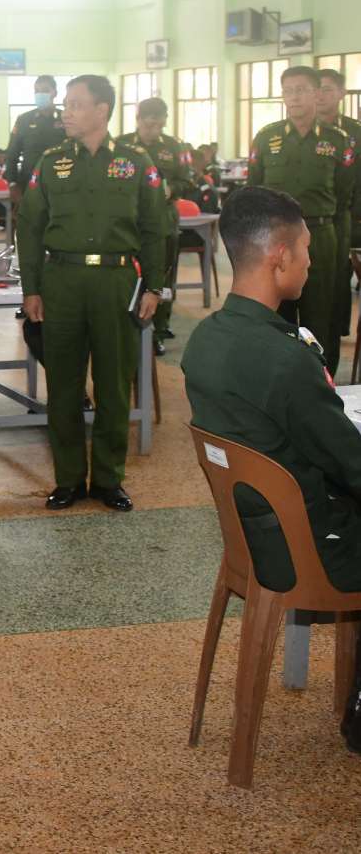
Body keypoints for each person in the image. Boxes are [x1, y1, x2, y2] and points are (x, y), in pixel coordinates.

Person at [182, 185, 361, 753]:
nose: (312, 261)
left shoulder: (206, 339)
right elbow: (351, 464)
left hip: (252, 536)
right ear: (280, 256)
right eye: (306, 249)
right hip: (306, 548)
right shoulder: (284, 359)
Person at [18, 75, 164, 511]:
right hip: (61, 279)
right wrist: (31, 288)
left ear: (102, 110)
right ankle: (68, 479)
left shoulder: (135, 162)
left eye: (76, 104)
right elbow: (29, 227)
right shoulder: (51, 161)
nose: (66, 112)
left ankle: (107, 479)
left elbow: (156, 228)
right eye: (66, 103)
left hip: (116, 281)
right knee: (63, 385)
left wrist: (154, 285)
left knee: (114, 385)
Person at [248, 65, 355, 374]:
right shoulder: (266, 138)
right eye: (288, 91)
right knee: (277, 315)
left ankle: (321, 383)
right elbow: (253, 191)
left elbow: (344, 196)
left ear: (316, 94)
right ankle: (281, 383)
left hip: (320, 237)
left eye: (301, 90)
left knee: (320, 316)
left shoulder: (338, 141)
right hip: (276, 240)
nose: (293, 97)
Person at [113, 97, 196, 352]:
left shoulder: (174, 146)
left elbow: (187, 181)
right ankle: (126, 325)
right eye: (148, 125)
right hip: (128, 221)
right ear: (138, 120)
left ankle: (158, 329)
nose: (153, 130)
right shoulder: (120, 145)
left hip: (163, 220)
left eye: (158, 125)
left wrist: (173, 189)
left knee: (162, 275)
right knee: (125, 273)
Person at [318, 69, 361, 341]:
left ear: (341, 93)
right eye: (318, 89)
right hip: (314, 216)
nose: (321, 95)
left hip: (349, 215)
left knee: (339, 274)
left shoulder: (355, 131)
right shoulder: (304, 129)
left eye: (328, 89)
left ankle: (337, 328)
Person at [5, 75, 64, 207]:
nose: (40, 94)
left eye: (45, 90)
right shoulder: (24, 120)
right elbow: (12, 154)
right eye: (37, 91)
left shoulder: (66, 118)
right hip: (30, 183)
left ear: (55, 93)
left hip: (61, 182)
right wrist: (12, 183)